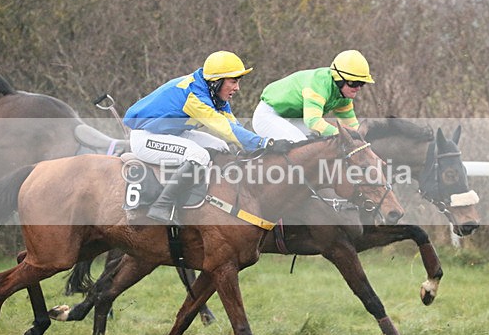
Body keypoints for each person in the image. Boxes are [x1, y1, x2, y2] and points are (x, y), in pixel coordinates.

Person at [124, 50, 272, 225]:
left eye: (238, 82)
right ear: (216, 82)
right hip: (146, 137)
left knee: (220, 146)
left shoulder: (213, 95)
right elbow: (226, 128)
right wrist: (262, 143)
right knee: (199, 155)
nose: (237, 88)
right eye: (233, 81)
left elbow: (234, 127)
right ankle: (162, 205)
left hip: (170, 133)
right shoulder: (195, 97)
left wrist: (258, 146)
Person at [252, 50, 374, 141]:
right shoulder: (318, 85)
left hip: (295, 119)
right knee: (301, 144)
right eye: (354, 83)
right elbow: (313, 122)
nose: (358, 88)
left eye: (361, 83)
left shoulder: (343, 96)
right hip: (268, 115)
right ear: (339, 79)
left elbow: (351, 126)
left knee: (319, 145)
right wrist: (342, 135)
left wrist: (363, 141)